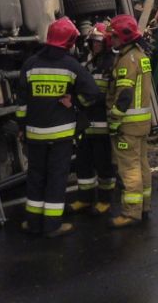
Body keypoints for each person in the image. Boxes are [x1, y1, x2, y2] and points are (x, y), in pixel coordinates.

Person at [18, 17, 99, 237]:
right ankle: (52, 226)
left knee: (35, 177)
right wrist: (74, 100)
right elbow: (92, 92)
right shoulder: (70, 65)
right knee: (56, 178)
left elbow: (21, 103)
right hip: (61, 136)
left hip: (34, 134)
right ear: (69, 42)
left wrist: (22, 127)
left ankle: (33, 223)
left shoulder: (30, 64)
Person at [105, 14, 155, 228]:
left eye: (114, 36)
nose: (112, 40)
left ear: (124, 37)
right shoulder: (141, 55)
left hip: (128, 125)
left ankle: (131, 212)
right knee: (142, 165)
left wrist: (114, 120)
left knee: (130, 169)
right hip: (142, 124)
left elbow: (124, 95)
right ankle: (144, 206)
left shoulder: (126, 60)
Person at [68, 22, 117, 215]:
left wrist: (82, 100)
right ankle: (84, 199)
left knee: (104, 165)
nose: (95, 45)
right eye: (92, 42)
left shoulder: (111, 63)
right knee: (83, 164)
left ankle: (105, 200)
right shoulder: (85, 61)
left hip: (102, 125)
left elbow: (105, 94)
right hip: (84, 125)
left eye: (98, 41)